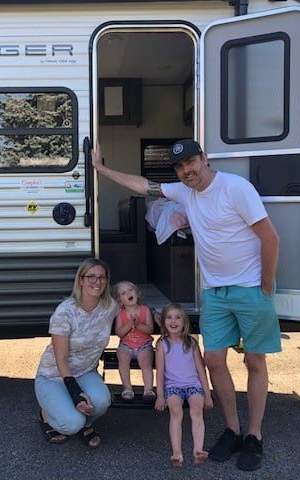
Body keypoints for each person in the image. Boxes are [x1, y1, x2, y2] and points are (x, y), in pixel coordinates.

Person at [92, 139, 281, 471]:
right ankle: (232, 430)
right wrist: (102, 169)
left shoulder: (236, 188)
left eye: (191, 162)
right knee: (214, 360)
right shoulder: (184, 191)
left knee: (254, 362)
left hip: (251, 289)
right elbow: (143, 186)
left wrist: (265, 286)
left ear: (204, 159)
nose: (186, 171)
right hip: (214, 293)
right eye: (179, 167)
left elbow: (270, 237)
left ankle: (254, 435)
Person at [34, 257, 120, 448]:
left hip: (85, 372)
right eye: (91, 277)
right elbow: (61, 358)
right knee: (71, 423)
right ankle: (46, 416)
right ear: (81, 280)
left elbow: (133, 307)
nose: (97, 282)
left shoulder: (110, 307)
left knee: (101, 402)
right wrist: (75, 393)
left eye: (102, 278)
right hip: (53, 375)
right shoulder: (65, 312)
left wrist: (155, 315)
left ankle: (86, 424)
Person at [155, 303, 213, 469]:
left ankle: (198, 450)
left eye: (178, 317)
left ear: (184, 322)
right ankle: (177, 452)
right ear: (164, 322)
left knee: (196, 408)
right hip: (173, 386)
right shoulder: (162, 344)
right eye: (169, 317)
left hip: (193, 384)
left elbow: (201, 370)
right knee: (175, 411)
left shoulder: (191, 343)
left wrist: (207, 394)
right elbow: (160, 372)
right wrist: (160, 395)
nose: (173, 321)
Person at [113, 280, 155, 403]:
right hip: (126, 345)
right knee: (122, 358)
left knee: (146, 362)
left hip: (144, 345)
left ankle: (148, 390)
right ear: (120, 300)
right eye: (123, 293)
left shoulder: (145, 310)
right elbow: (119, 333)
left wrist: (138, 325)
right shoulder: (121, 314)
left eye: (130, 290)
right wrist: (130, 324)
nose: (128, 293)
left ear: (137, 293)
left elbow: (150, 329)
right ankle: (127, 389)